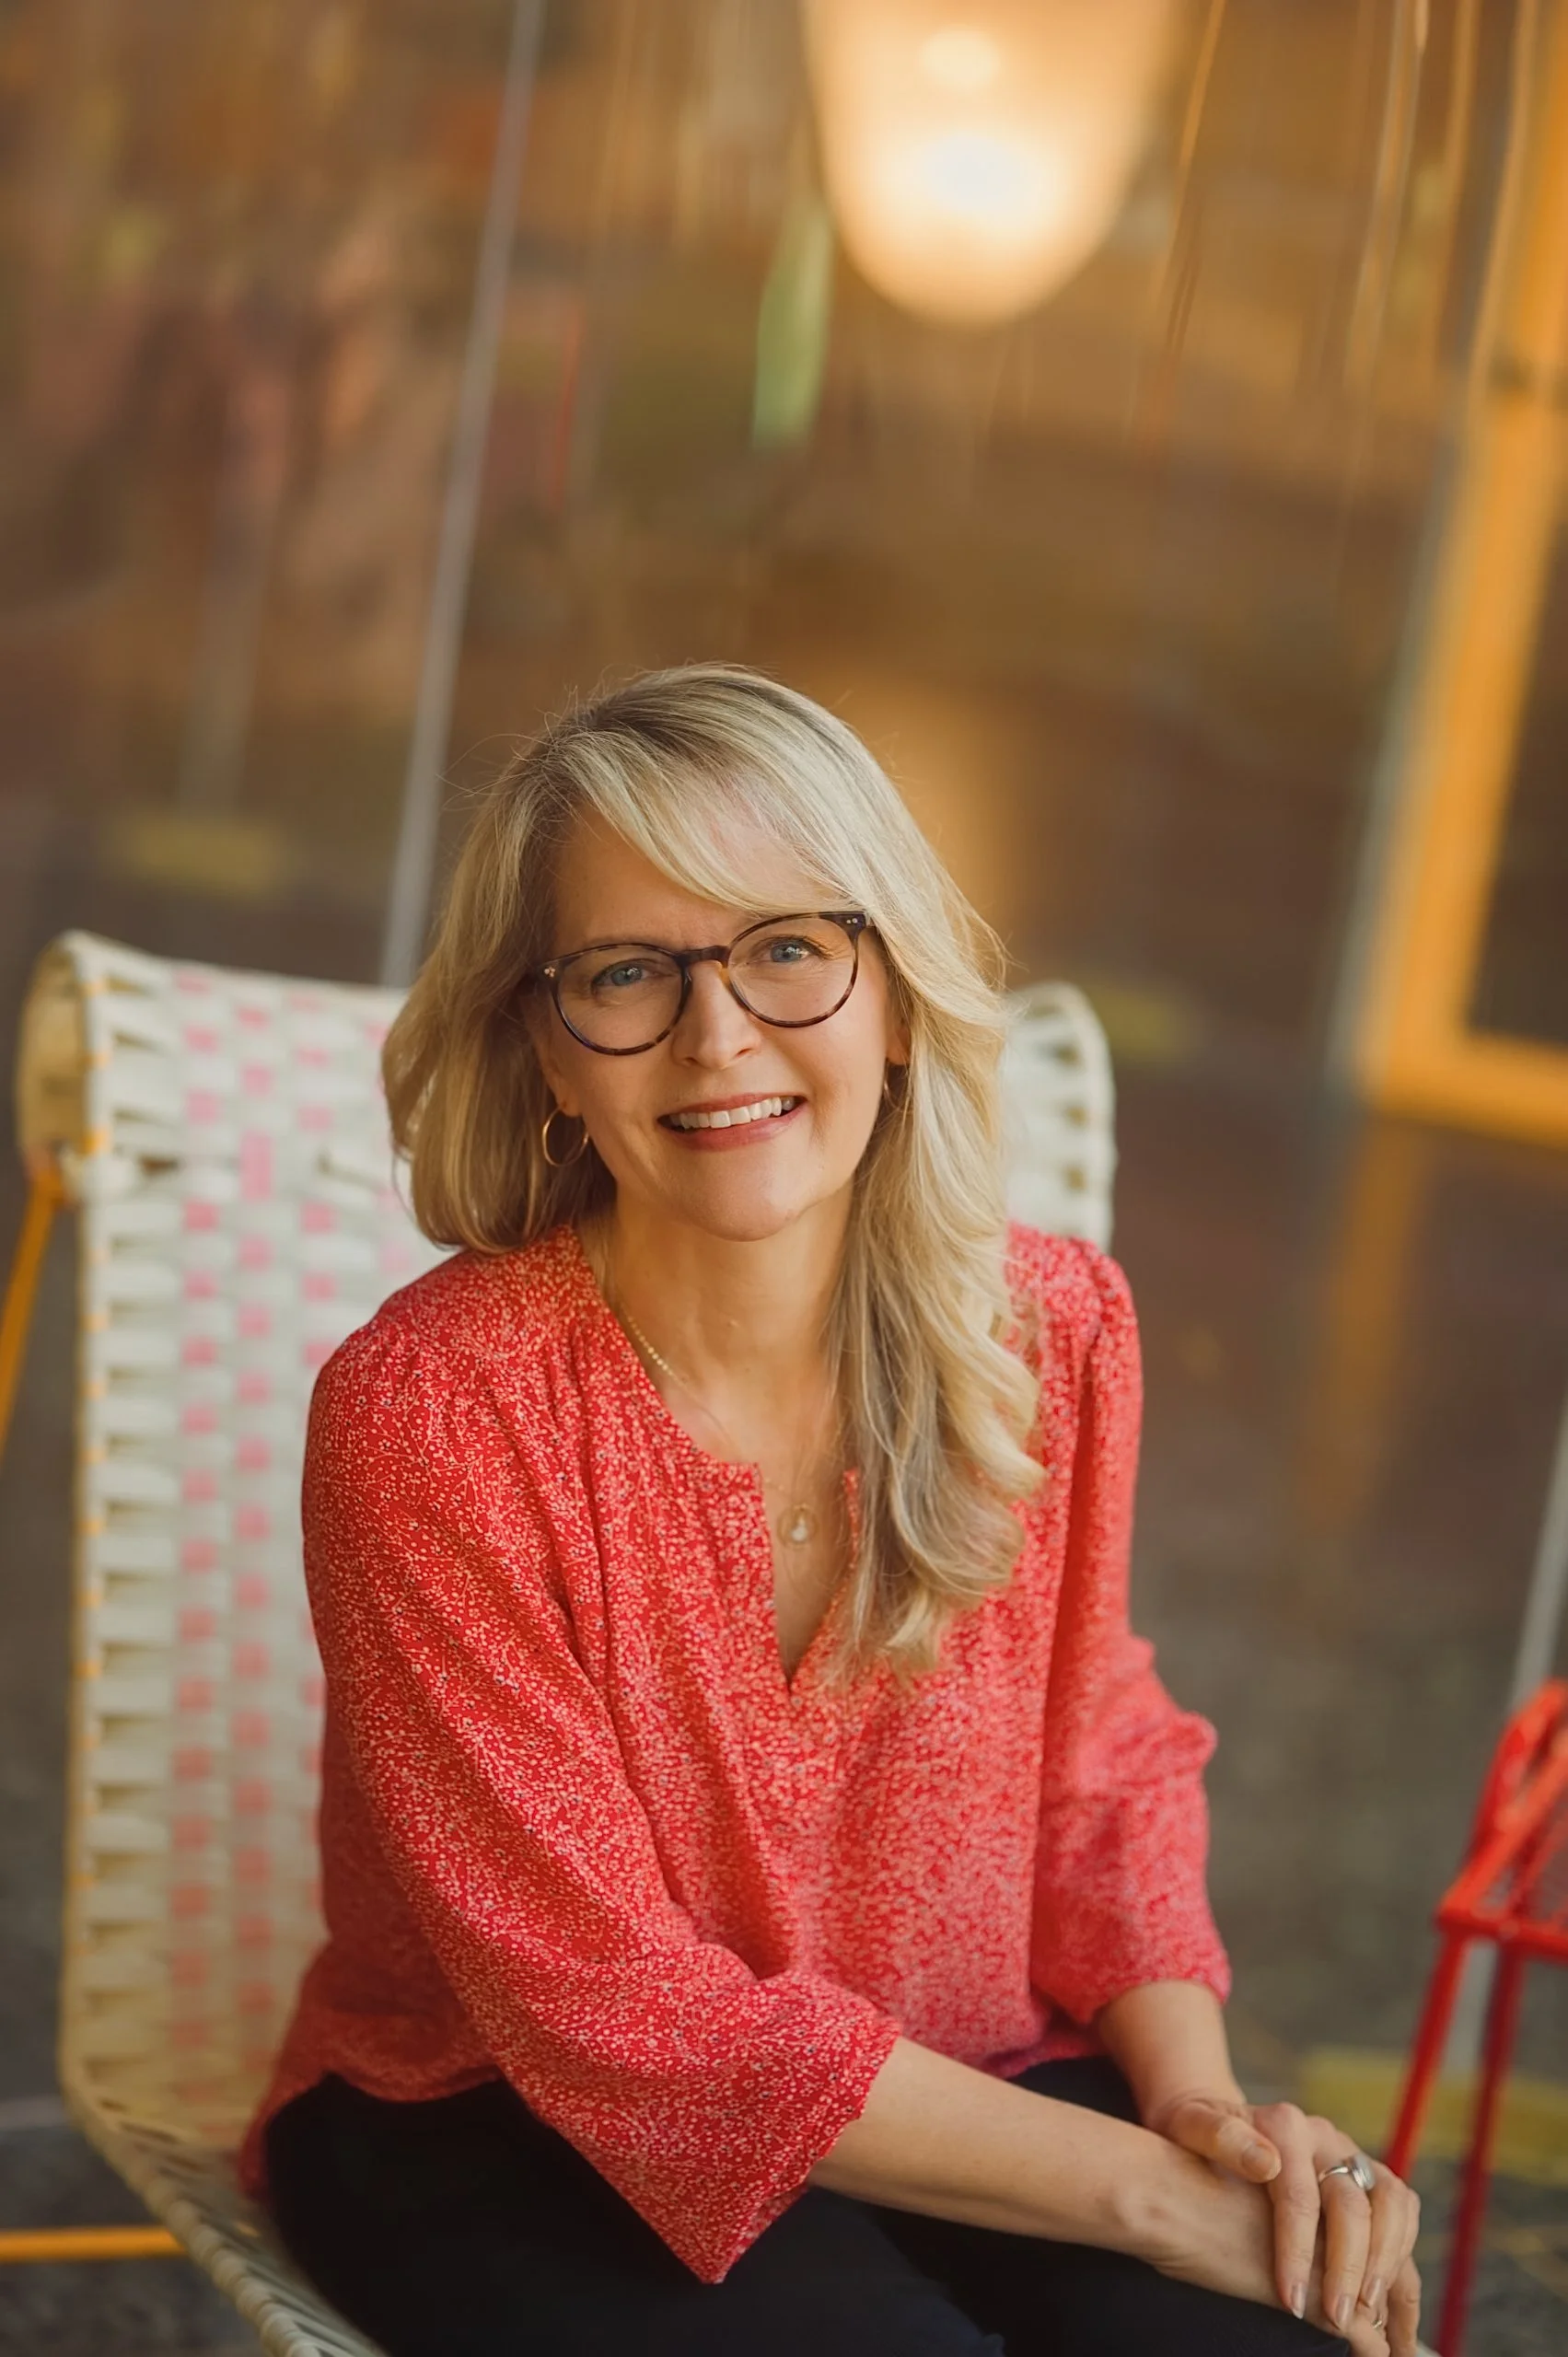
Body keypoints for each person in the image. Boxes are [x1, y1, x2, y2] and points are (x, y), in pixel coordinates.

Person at [238, 665, 1422, 2357]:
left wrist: (1201, 2121)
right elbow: (613, 2011)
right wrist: (1157, 2206)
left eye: (788, 947)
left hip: (965, 2068)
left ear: (895, 998)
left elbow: (1095, 1770)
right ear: (548, 1053)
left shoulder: (1049, 1330)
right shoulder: (432, 1412)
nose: (718, 1036)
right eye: (626, 973)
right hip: (507, 2116)